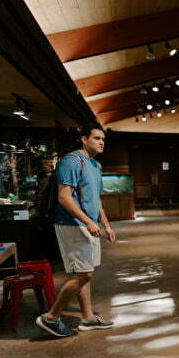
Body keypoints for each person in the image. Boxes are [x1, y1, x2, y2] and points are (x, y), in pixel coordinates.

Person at [35, 126, 116, 337]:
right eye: (96, 138)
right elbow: (64, 197)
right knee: (83, 273)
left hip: (88, 224)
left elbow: (96, 199)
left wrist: (105, 224)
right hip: (71, 224)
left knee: (85, 272)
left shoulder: (95, 165)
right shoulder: (72, 161)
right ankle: (50, 317)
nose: (101, 142)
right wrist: (88, 221)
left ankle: (87, 318)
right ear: (84, 139)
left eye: (103, 139)